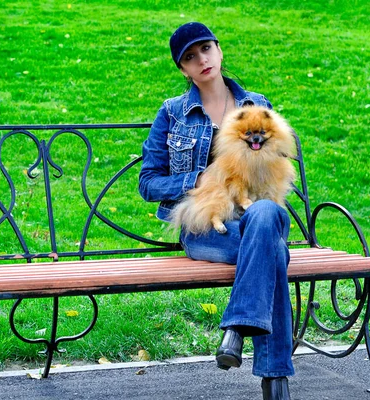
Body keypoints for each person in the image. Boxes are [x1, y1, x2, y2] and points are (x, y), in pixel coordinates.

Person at [138, 22, 293, 400]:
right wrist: (200, 175)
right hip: (207, 226)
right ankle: (275, 381)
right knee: (271, 252)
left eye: (205, 49)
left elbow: (277, 165)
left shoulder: (256, 107)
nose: (201, 60)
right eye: (190, 57)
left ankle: (237, 327)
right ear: (183, 69)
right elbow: (148, 182)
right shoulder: (173, 113)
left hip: (259, 213)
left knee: (264, 217)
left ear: (219, 51)